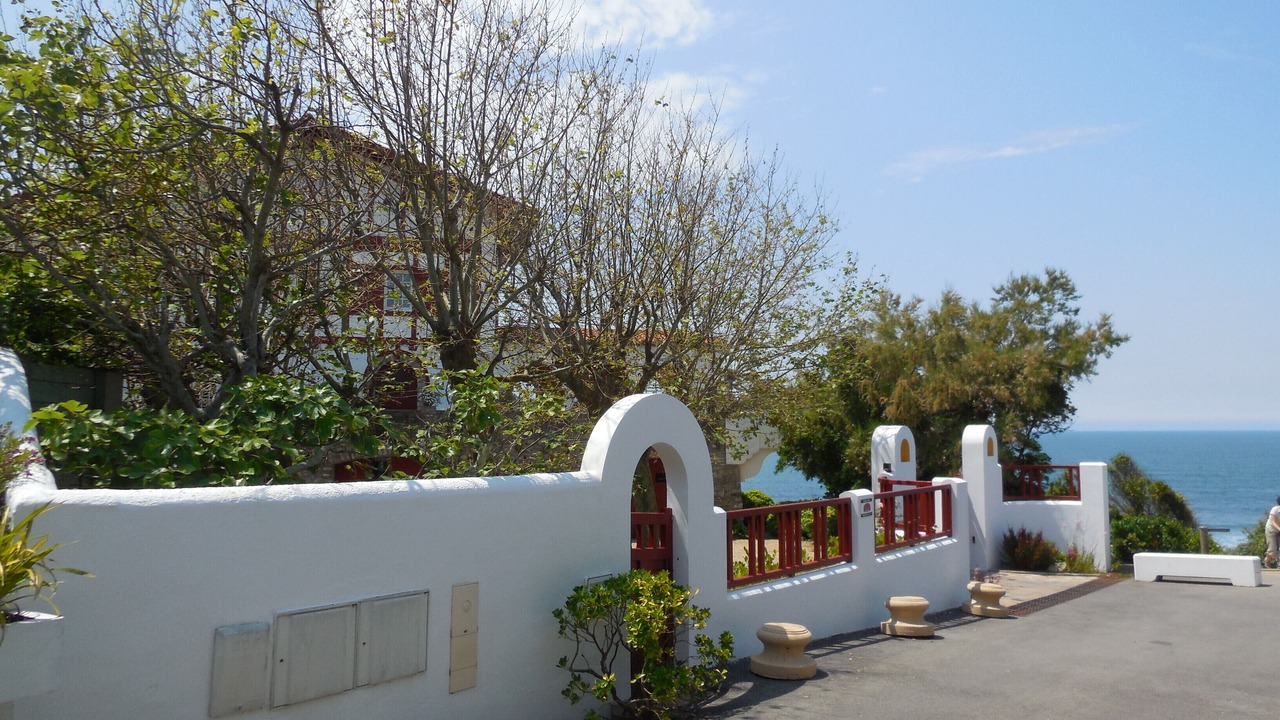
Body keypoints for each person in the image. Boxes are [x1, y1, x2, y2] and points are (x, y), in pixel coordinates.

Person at [1266, 495, 1280, 569]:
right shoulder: (1275, 509)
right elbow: (1273, 521)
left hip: (1279, 530)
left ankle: (1279, 565)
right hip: (1271, 530)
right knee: (1272, 549)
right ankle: (1267, 561)